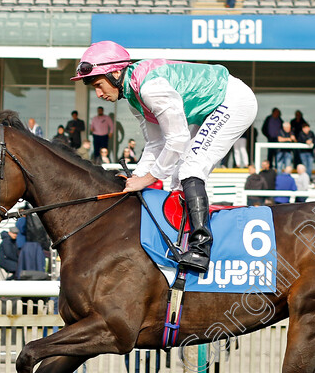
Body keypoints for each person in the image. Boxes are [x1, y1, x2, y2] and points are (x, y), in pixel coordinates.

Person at [72, 41, 258, 273]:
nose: (99, 94)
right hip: (207, 109)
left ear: (116, 73)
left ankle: (201, 249)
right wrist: (136, 176)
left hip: (233, 101)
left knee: (191, 168)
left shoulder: (150, 89)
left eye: (99, 85)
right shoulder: (133, 97)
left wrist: (146, 179)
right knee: (176, 180)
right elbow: (156, 143)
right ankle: (180, 241)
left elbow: (177, 140)